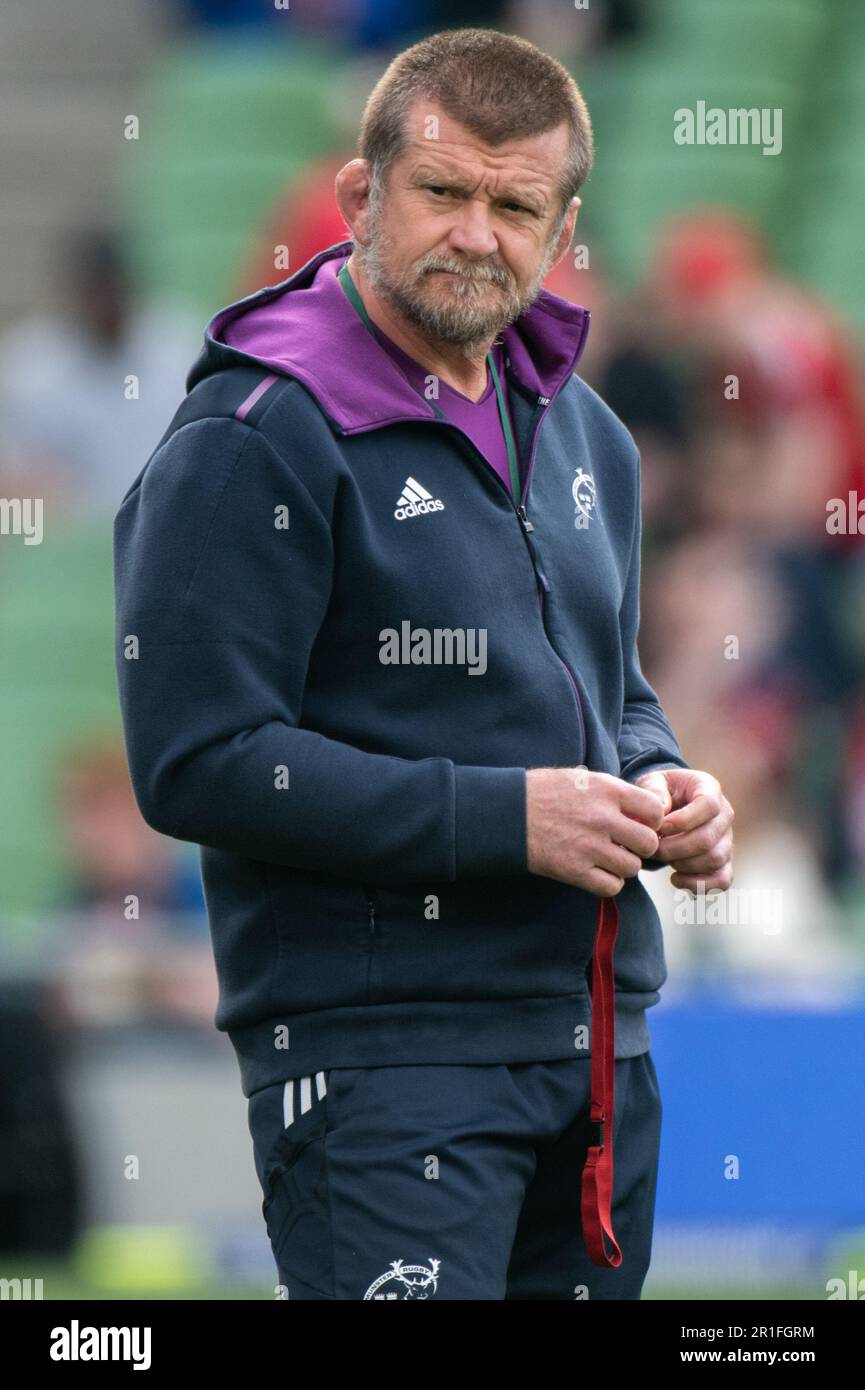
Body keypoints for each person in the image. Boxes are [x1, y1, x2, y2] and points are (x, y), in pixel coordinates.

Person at [114, 27, 734, 1300]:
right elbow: (198, 761)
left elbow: (603, 688)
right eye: (442, 191)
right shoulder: (252, 431)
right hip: (385, 1066)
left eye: (516, 207)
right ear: (359, 196)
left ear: (561, 231)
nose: (476, 233)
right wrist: (508, 818)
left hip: (598, 1054)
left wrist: (665, 780)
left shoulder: (587, 430)